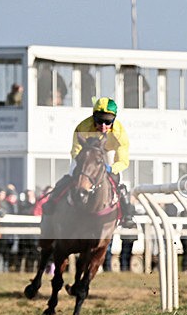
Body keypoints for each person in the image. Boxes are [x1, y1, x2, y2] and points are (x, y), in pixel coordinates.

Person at [42, 97, 136, 227]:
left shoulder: (120, 133)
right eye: (99, 120)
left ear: (114, 119)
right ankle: (53, 201)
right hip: (86, 153)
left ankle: (127, 215)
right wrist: (82, 163)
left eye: (108, 121)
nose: (103, 126)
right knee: (71, 174)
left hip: (108, 152)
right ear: (93, 117)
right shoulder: (83, 127)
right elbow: (75, 151)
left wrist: (110, 169)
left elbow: (123, 161)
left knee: (118, 180)